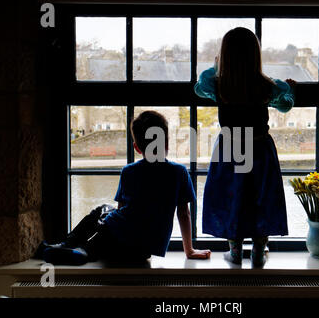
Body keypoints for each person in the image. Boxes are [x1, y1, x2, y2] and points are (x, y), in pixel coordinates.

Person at [38, 111, 211, 265]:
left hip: (114, 238)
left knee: (101, 211)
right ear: (167, 142)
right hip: (142, 250)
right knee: (104, 224)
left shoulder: (129, 171)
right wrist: (189, 250)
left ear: (136, 148)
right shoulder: (179, 172)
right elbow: (184, 213)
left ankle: (69, 246)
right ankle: (79, 250)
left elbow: (121, 210)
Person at [194, 27, 295, 267]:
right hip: (260, 148)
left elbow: (199, 86)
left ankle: (235, 250)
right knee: (260, 196)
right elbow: (285, 106)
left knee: (233, 196)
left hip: (230, 148)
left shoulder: (219, 85)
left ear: (224, 55)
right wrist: (290, 90)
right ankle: (259, 250)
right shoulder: (267, 85)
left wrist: (216, 67)